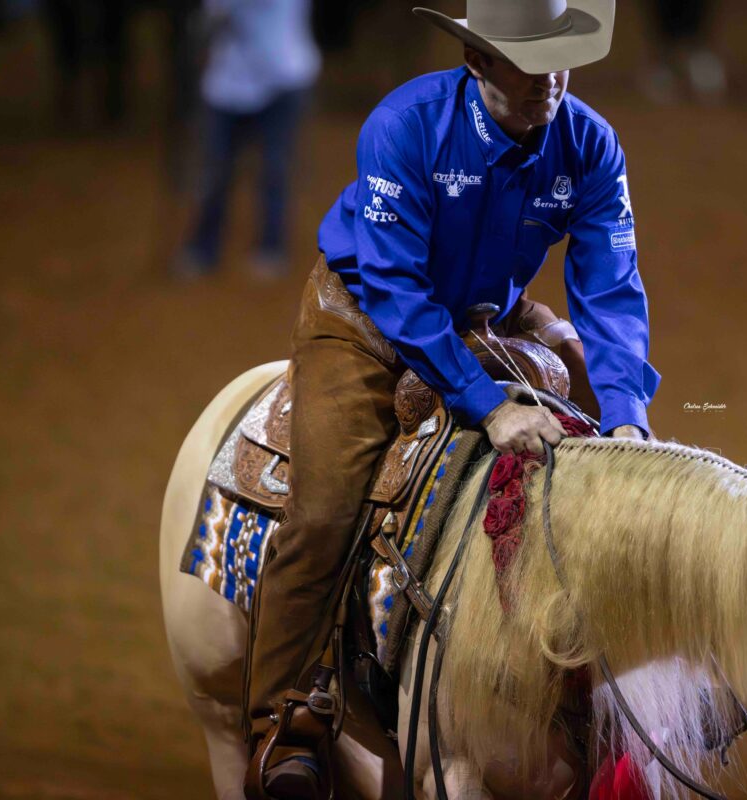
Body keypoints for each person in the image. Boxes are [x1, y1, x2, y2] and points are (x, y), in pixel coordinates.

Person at [242, 1, 660, 798]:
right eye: (533, 68)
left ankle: (584, 687)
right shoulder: (404, 128)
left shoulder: (590, 141)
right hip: (362, 321)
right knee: (325, 509)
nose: (554, 84)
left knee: (588, 459)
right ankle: (284, 718)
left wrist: (629, 411)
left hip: (486, 313)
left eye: (563, 62)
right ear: (480, 65)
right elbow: (396, 287)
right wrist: (488, 404)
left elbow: (610, 285)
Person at [175, 0, 320, 279]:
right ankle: (203, 248)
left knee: (274, 168)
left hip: (282, 79)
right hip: (226, 84)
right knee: (215, 171)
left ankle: (272, 246)